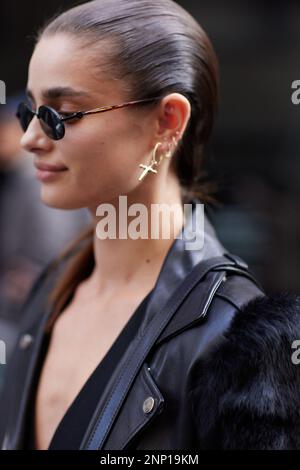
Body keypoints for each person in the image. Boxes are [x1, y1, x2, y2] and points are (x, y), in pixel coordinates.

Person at [0, 0, 299, 451]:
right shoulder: (52, 292)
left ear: (167, 121)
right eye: (30, 111)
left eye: (62, 114)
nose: (30, 139)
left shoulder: (235, 340)